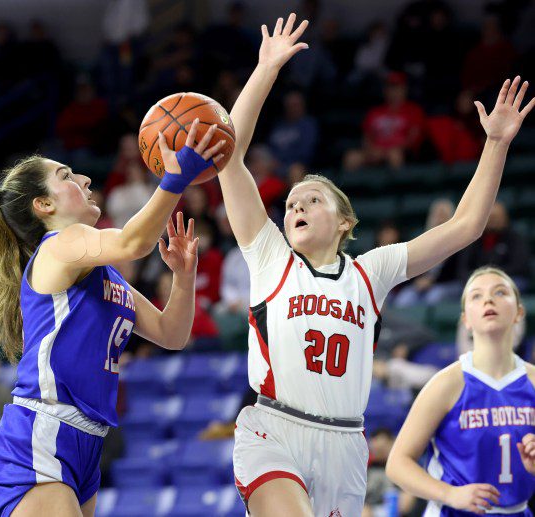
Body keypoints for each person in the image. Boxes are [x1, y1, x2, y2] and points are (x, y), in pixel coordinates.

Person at [217, 12, 534, 516]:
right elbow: (228, 156)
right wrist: (266, 70)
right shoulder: (271, 257)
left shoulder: (371, 271)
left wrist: (495, 144)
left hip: (346, 442)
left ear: (345, 222)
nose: (295, 207)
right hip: (273, 428)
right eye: (291, 203)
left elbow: (467, 225)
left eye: (311, 199)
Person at [0, 119, 226, 516]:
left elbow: (171, 334)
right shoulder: (60, 245)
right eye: (66, 176)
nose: (86, 178)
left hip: (87, 439)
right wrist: (174, 181)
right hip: (41, 431)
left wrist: (184, 276)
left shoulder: (102, 275)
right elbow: (133, 241)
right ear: (44, 205)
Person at [386, 267, 535, 515]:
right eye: (477, 295)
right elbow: (397, 464)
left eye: (500, 292)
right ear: (466, 319)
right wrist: (449, 493)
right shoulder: (447, 383)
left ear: (519, 312)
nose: (488, 299)